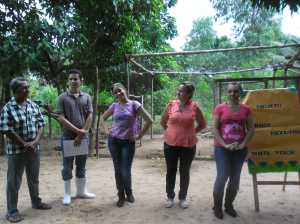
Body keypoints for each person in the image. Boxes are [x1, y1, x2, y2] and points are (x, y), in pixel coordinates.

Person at [0, 77, 51, 223]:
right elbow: (5, 129)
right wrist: (24, 144)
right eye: (24, 88)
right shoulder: (8, 108)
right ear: (16, 91)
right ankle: (12, 211)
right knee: (14, 181)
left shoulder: (32, 105)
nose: (28, 89)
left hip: (34, 149)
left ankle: (36, 202)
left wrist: (34, 142)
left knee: (33, 178)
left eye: (27, 87)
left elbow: (41, 123)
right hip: (16, 151)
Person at [101, 83, 153, 207]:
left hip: (127, 143)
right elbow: (102, 118)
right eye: (115, 92)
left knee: (125, 170)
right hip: (113, 141)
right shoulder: (114, 106)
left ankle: (129, 192)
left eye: (120, 90)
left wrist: (139, 136)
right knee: (117, 170)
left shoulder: (134, 104)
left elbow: (149, 120)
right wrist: (107, 131)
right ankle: (121, 195)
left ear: (125, 90)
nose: (118, 93)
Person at [160, 82, 206, 209]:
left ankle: (182, 198)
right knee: (171, 171)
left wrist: (191, 133)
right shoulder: (171, 105)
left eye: (183, 91)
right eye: (178, 91)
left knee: (184, 172)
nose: (179, 93)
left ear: (189, 94)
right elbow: (163, 122)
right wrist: (170, 132)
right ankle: (170, 197)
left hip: (188, 145)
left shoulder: (194, 107)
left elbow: (202, 124)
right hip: (170, 144)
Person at [212, 82, 255, 219]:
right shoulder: (220, 108)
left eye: (235, 91)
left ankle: (229, 205)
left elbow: (251, 130)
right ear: (227, 93)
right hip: (222, 149)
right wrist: (224, 145)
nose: (233, 94)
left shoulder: (246, 109)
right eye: (230, 91)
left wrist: (243, 145)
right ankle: (217, 207)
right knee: (222, 176)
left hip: (239, 150)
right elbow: (214, 128)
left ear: (239, 93)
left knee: (235, 180)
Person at [57, 69, 96, 205]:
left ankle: (81, 192)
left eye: (76, 79)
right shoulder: (62, 97)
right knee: (67, 166)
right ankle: (67, 194)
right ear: (68, 81)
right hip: (68, 137)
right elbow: (61, 118)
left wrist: (82, 132)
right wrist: (78, 132)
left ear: (81, 80)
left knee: (81, 166)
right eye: (71, 79)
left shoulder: (86, 97)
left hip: (83, 138)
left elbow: (90, 115)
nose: (73, 81)